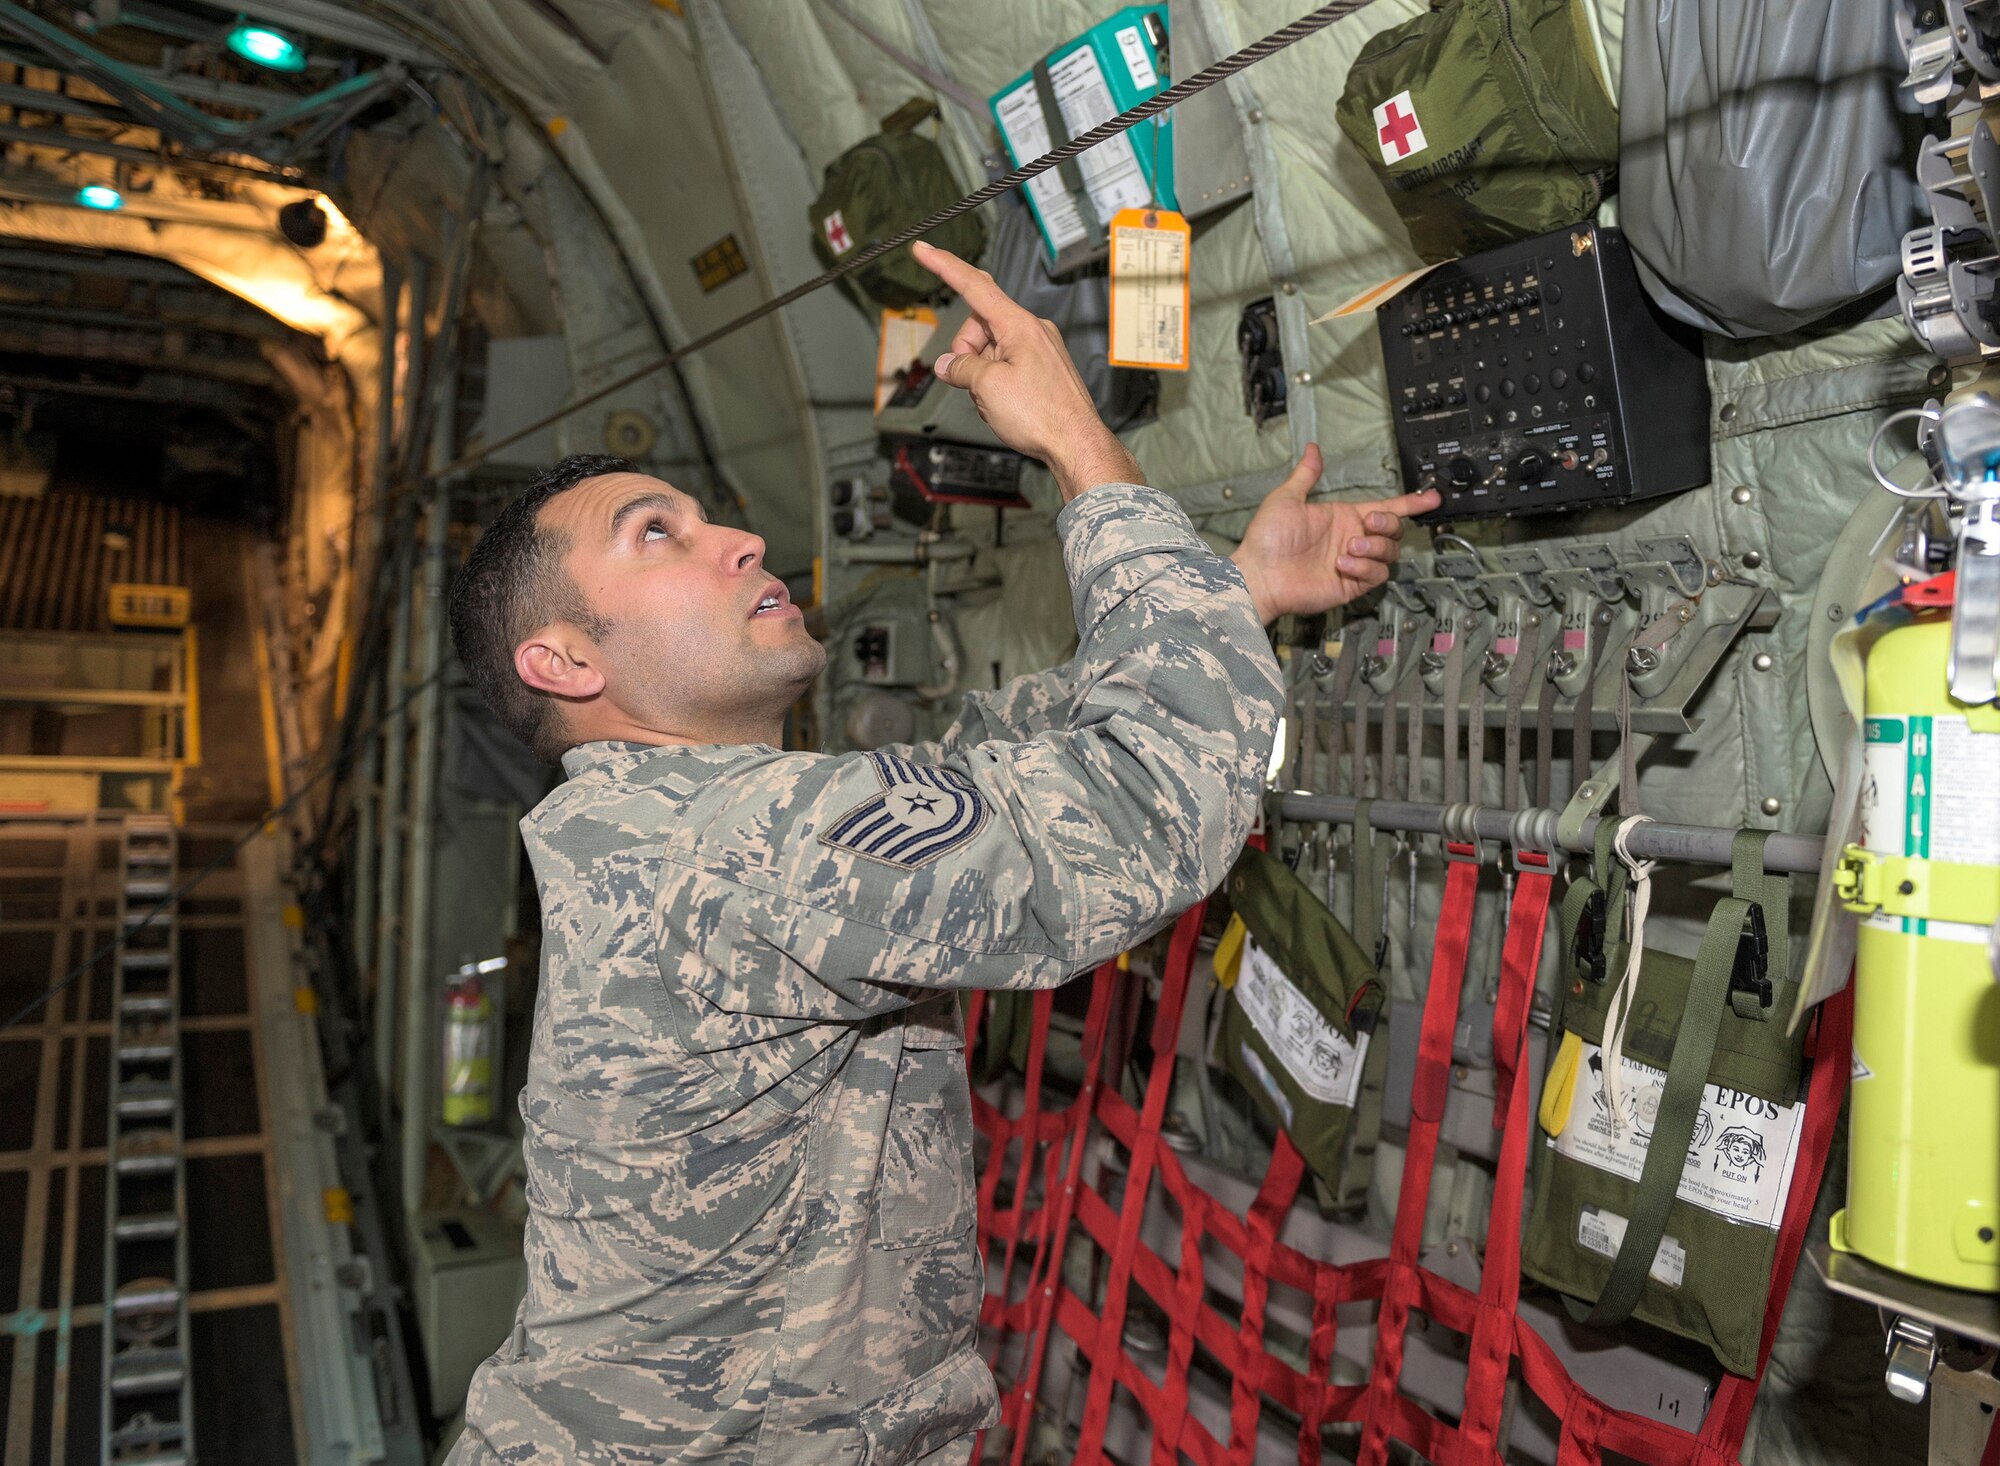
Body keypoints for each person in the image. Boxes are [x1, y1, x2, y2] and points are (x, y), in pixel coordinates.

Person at [444, 242, 1440, 1464]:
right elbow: (1144, 799)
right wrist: (1075, 438)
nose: (741, 540)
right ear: (563, 661)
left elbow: (990, 779)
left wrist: (1229, 589)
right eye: (657, 535)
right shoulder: (726, 849)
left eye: (707, 516)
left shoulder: (670, 831)